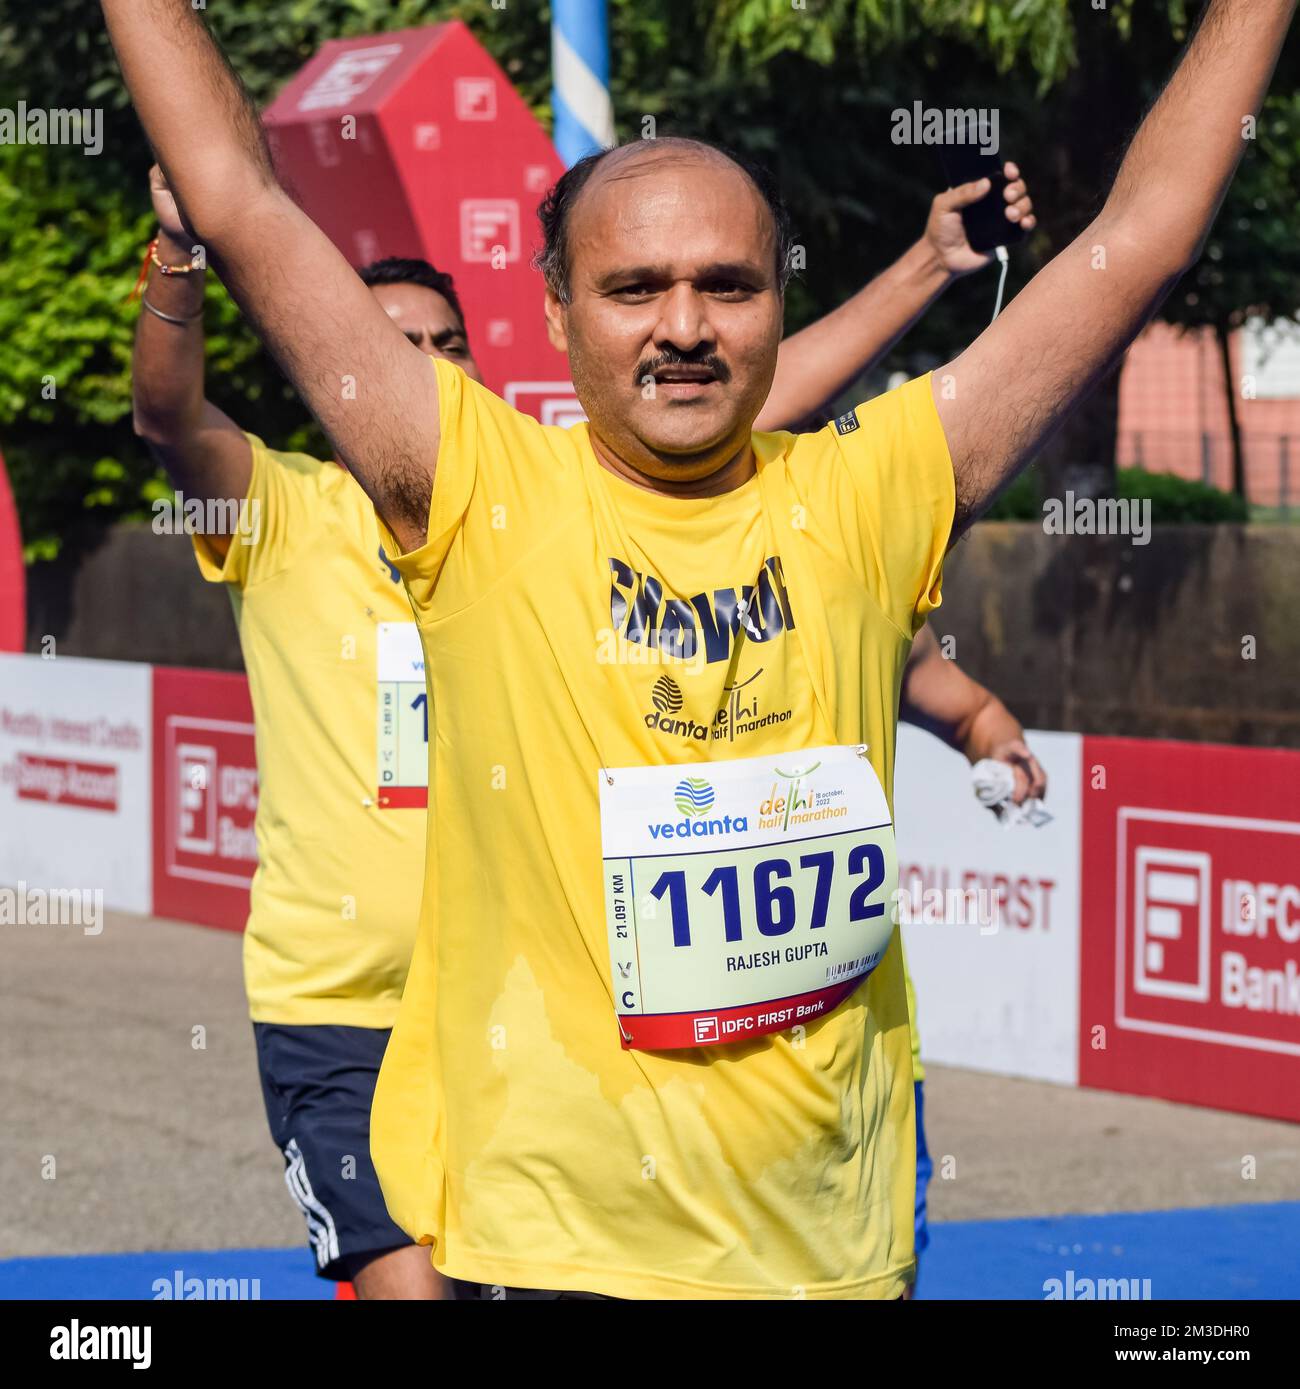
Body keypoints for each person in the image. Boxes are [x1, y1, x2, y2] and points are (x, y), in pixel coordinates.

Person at [102, 0, 1295, 1298]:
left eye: (727, 285)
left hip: (832, 1250)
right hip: (554, 1246)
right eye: (634, 289)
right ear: (556, 308)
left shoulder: (875, 485)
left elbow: (1144, 235)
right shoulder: (468, 489)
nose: (684, 325)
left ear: (779, 297)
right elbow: (238, 194)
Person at [131, 144, 1030, 1299]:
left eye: (445, 346)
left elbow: (760, 404)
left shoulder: (525, 505)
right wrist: (181, 248)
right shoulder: (282, 508)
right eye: (391, 346)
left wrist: (922, 268)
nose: (422, 365)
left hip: (522, 1020)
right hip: (344, 1006)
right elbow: (167, 418)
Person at [897, 626, 1048, 1282]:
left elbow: (977, 713)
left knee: (886, 1273)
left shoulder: (859, 581)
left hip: (866, 1059)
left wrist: (1001, 754)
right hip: (654, 1061)